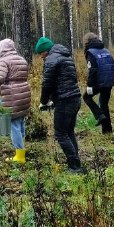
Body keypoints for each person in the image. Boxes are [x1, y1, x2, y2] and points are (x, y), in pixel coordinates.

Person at [34, 36, 85, 173]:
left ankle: (75, 166)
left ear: (45, 51)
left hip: (64, 101)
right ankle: (75, 161)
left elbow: (47, 84)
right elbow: (62, 80)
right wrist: (52, 99)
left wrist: (43, 101)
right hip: (75, 98)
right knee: (69, 132)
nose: (41, 57)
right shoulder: (65, 56)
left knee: (61, 133)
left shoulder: (51, 60)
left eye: (41, 53)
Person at [0, 38, 31, 163]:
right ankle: (21, 149)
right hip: (24, 94)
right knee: (21, 122)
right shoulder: (21, 59)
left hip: (13, 96)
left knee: (14, 126)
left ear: (2, 49)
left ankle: (20, 156)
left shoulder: (4, 61)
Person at [82, 32, 114, 133]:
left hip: (99, 82)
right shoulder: (106, 50)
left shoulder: (90, 52)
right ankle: (107, 130)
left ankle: (99, 115)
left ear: (87, 42)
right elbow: (113, 64)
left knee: (86, 97)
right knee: (104, 104)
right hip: (109, 81)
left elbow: (93, 70)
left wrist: (89, 85)